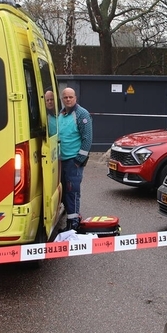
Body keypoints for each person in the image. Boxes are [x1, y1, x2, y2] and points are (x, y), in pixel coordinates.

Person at [58, 87, 92, 231]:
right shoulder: (61, 114)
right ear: (62, 99)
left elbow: (87, 138)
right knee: (64, 191)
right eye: (65, 97)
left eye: (70, 97)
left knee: (72, 191)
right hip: (61, 160)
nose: (68, 99)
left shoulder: (81, 114)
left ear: (75, 98)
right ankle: (70, 218)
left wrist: (79, 160)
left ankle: (73, 224)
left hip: (73, 161)